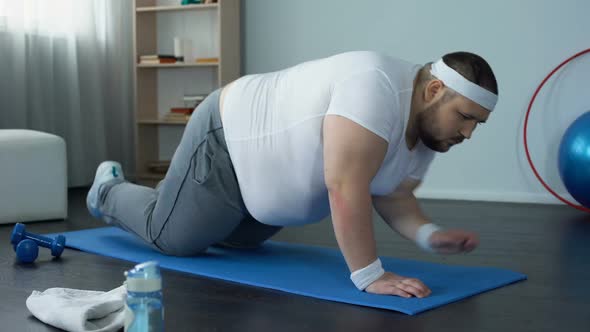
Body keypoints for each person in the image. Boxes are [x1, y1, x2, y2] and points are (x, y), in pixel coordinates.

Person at [87, 50, 498, 298]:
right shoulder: (376, 87)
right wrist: (371, 275)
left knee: (241, 241)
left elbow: (392, 194)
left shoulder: (428, 132)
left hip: (259, 188)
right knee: (174, 237)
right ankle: (107, 190)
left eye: (477, 123)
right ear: (433, 92)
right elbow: (345, 187)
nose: (468, 132)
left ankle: (179, 195)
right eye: (465, 117)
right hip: (230, 138)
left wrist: (430, 234)